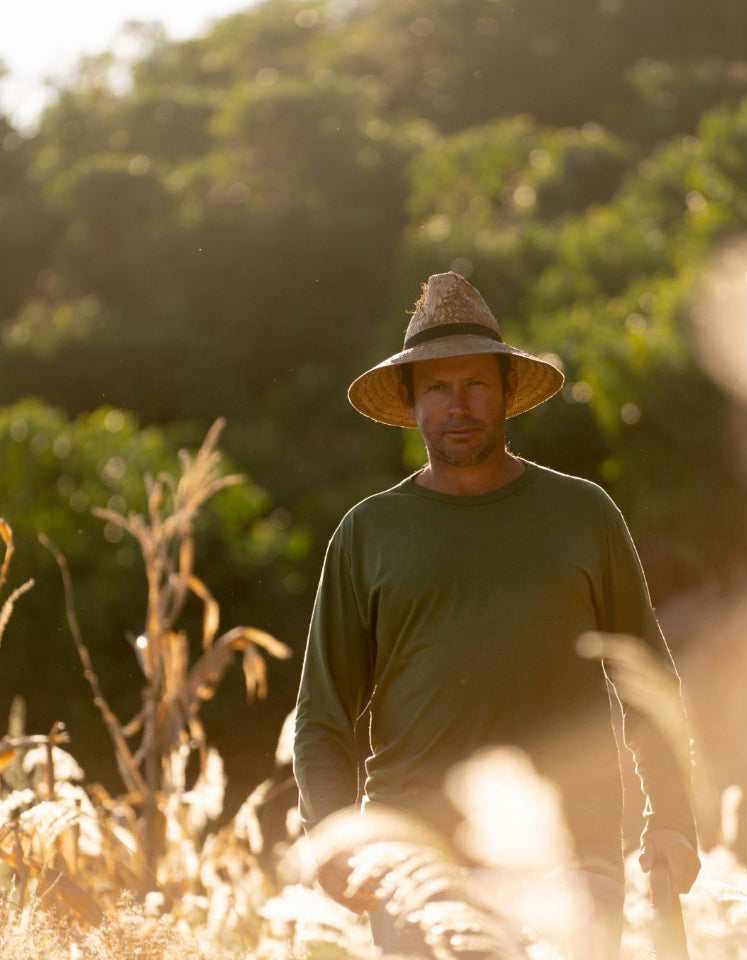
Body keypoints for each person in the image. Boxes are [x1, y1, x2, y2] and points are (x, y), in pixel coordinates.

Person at [293, 271, 700, 958]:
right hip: (417, 867)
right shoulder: (368, 533)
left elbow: (647, 680)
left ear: (509, 392)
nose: (459, 406)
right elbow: (323, 716)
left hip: (576, 850)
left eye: (476, 384)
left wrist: (673, 819)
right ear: (413, 404)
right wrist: (333, 837)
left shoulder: (583, 513)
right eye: (438, 388)